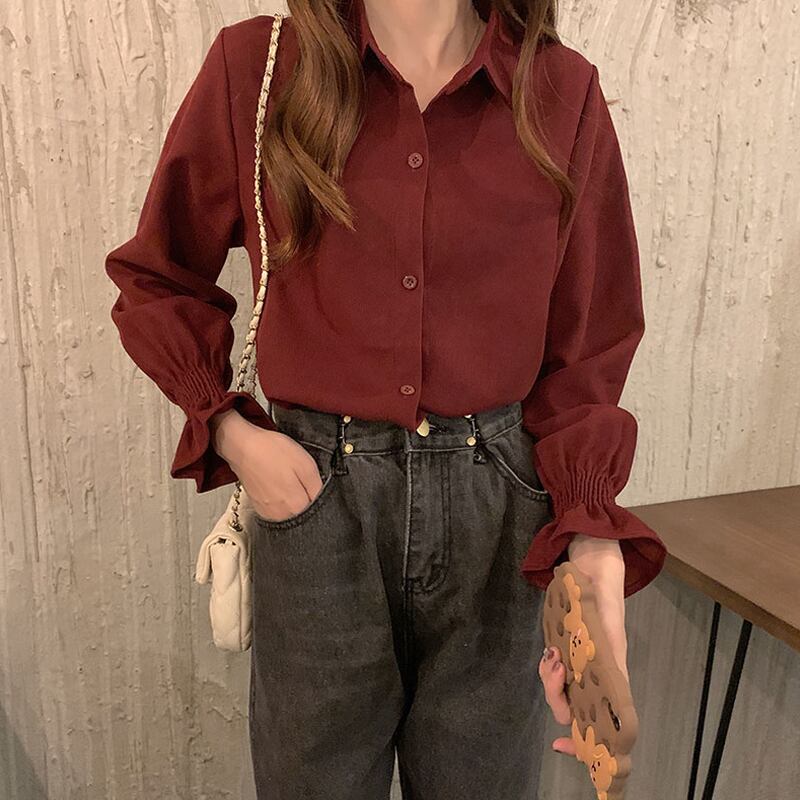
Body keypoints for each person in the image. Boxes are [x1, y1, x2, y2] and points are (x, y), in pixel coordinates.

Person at [104, 0, 667, 797]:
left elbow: (588, 350)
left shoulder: (558, 92)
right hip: (317, 506)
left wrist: (593, 540)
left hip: (500, 515)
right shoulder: (260, 70)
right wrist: (231, 432)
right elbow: (158, 276)